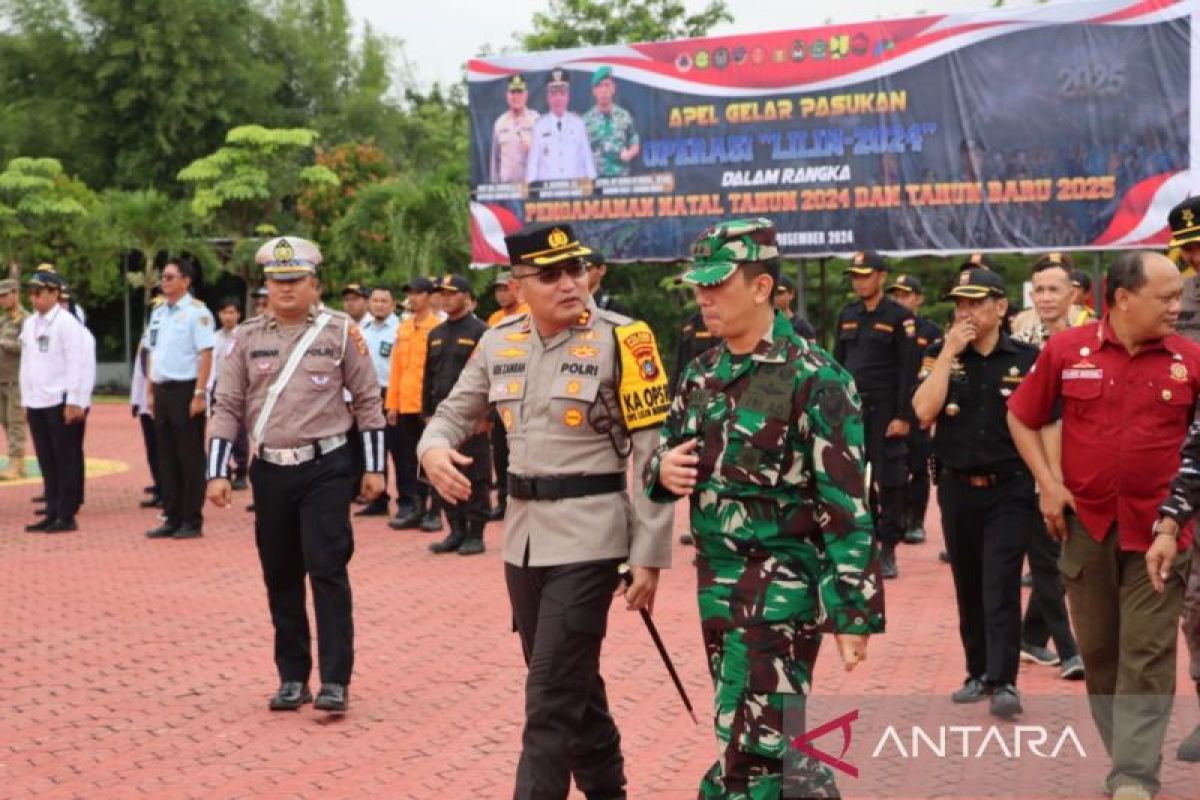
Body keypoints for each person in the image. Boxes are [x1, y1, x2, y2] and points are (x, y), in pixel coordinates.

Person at [418, 222, 673, 800]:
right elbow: (454, 412)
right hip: (523, 540)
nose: (568, 283)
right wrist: (432, 448)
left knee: (549, 701)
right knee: (573, 691)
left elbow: (652, 456)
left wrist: (650, 557)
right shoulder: (497, 341)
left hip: (592, 535)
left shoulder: (624, 340)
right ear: (518, 284)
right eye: (551, 274)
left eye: (575, 270)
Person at [647, 218, 881, 799]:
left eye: (717, 284)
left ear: (761, 287)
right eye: (698, 286)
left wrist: (851, 612)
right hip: (716, 588)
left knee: (751, 743)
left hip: (782, 590)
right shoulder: (700, 376)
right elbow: (660, 457)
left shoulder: (817, 378)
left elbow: (846, 503)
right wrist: (661, 473)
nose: (704, 297)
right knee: (767, 736)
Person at [1007, 251, 1200, 800]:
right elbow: (1022, 415)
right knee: (1099, 653)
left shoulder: (1189, 360)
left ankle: (1135, 776)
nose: (1176, 305)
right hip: (1084, 528)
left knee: (1148, 652)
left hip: (1162, 533)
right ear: (1121, 298)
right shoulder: (1069, 351)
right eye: (1164, 297)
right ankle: (1128, 758)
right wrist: (1047, 481)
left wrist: (1176, 518)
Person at [206, 236, 386, 714]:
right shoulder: (246, 337)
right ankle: (291, 676)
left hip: (326, 467)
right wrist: (217, 471)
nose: (284, 289)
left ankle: (334, 680)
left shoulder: (341, 331)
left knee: (327, 569)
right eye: (276, 281)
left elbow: (368, 402)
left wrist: (373, 466)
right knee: (281, 574)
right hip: (270, 471)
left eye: (294, 280)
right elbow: (225, 406)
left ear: (314, 284)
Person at [913, 268, 1039, 719]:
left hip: (1011, 488)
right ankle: (978, 672)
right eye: (959, 304)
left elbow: (1045, 422)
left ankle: (1004, 681)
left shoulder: (1026, 358)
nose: (965, 311)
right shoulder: (940, 353)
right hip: (956, 486)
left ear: (1000, 307)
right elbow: (923, 411)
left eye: (975, 302)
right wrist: (949, 350)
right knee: (967, 581)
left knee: (999, 580)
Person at [1008, 254, 1085, 680]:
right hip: (1034, 459)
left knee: (1060, 551)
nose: (1046, 297)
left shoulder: (1093, 332)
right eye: (1039, 289)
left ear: (1073, 292)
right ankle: (1070, 648)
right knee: (1050, 552)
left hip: (1081, 455)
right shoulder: (1020, 334)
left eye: (1055, 289)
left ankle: (1031, 635)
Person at [833, 250, 919, 579]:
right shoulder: (848, 314)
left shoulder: (899, 317)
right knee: (855, 480)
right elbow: (838, 364)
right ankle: (863, 543)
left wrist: (903, 416)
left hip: (887, 409)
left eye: (865, 275)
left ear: (881, 276)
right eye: (854, 276)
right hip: (854, 409)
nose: (859, 281)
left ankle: (888, 547)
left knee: (892, 480)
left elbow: (907, 371)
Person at [1163, 194, 1200, 762]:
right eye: (1191, 248)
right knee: (1195, 603)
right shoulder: (1176, 295)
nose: (1198, 257)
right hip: (1189, 463)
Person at [143, 259, 214, 541]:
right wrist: (150, 390)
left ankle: (191, 519)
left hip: (186, 390)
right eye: (163, 277)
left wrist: (200, 393)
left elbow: (206, 354)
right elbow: (153, 352)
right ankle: (171, 517)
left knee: (189, 457)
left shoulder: (198, 313)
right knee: (166, 457)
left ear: (186, 281)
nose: (165, 281)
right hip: (162, 389)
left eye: (171, 277)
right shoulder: (159, 312)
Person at [20, 268, 94, 532]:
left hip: (60, 399)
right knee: (46, 460)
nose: (34, 298)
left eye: (38, 292)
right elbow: (26, 363)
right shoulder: (30, 323)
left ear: (54, 293)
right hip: (38, 399)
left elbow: (77, 364)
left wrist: (75, 400)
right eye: (31, 292)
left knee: (64, 459)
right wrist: (25, 398)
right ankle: (51, 511)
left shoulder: (66, 323)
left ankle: (66, 514)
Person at [422, 274, 490, 555]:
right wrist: (427, 414)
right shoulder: (436, 334)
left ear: (466, 295)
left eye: (451, 293)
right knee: (445, 474)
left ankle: (475, 533)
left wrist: (487, 417)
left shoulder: (482, 331)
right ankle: (456, 530)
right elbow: (428, 377)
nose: (445, 298)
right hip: (442, 417)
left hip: (473, 418)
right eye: (442, 294)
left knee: (475, 475)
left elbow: (490, 378)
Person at [886, 274, 939, 544]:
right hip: (894, 406)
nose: (900, 300)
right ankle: (897, 519)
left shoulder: (930, 332)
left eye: (906, 295)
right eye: (896, 295)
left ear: (918, 299)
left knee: (918, 467)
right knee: (893, 470)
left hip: (920, 407)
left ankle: (916, 521)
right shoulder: (888, 326)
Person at [385, 276, 441, 531]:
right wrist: (392, 404)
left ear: (430, 296)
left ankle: (436, 512)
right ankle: (416, 508)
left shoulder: (437, 327)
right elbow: (396, 368)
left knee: (432, 459)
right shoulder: (404, 328)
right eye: (411, 293)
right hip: (405, 403)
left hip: (427, 406)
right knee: (408, 460)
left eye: (419, 293)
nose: (414, 298)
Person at [352, 286, 399, 518]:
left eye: (384, 300)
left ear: (393, 304)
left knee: (399, 451)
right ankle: (378, 499)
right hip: (366, 394)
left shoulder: (401, 329)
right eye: (376, 300)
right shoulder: (362, 330)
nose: (379, 304)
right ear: (369, 304)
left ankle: (409, 501)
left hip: (391, 393)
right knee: (372, 448)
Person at [486, 270, 526, 520]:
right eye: (498, 290)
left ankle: (520, 499)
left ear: (517, 287)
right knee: (500, 453)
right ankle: (502, 500)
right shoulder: (493, 319)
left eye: (506, 288)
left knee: (520, 451)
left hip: (522, 393)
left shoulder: (529, 313)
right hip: (499, 393)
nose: (501, 294)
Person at [525, 67, 596, 183]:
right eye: (554, 94)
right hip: (547, 193)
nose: (558, 99)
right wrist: (530, 190)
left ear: (568, 96)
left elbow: (587, 158)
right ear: (548, 97)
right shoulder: (539, 126)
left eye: (562, 93)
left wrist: (593, 185)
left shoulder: (578, 124)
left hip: (574, 191)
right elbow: (533, 162)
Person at [208, 297, 249, 491]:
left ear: (239, 315)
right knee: (221, 427)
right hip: (219, 385)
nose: (228, 316)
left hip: (240, 386)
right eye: (224, 312)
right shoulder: (214, 338)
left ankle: (241, 469)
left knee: (240, 431)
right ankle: (224, 468)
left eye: (232, 312)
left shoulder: (244, 336)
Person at [583, 66, 639, 178]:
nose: (603, 90)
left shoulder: (624, 116)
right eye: (599, 86)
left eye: (607, 85)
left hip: (621, 179)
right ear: (594, 91)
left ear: (613, 88)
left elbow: (634, 142)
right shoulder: (585, 120)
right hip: (596, 182)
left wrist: (629, 154)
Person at [0, 277, 27, 480]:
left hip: (16, 378)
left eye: (4, 295)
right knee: (5, 420)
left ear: (15, 294)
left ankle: (16, 462)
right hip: (2, 377)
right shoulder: (4, 320)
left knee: (16, 421)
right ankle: (18, 462)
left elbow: (26, 347)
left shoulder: (25, 319)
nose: (1, 300)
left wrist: (3, 342)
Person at [490, 74, 540, 184]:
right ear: (507, 95)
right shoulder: (499, 123)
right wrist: (494, 188)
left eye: (519, 92)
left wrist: (533, 148)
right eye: (512, 92)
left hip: (531, 188)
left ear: (526, 95)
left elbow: (548, 155)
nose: (516, 96)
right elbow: (495, 162)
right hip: (506, 190)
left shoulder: (536, 120)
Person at [584, 251, 630, 316]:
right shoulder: (569, 305)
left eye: (586, 269)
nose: (581, 274)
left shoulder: (614, 308)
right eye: (575, 270)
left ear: (602, 270)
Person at [772, 274, 817, 339]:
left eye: (779, 293)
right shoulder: (761, 327)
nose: (775, 297)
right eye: (771, 293)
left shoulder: (803, 328)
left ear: (791, 294)